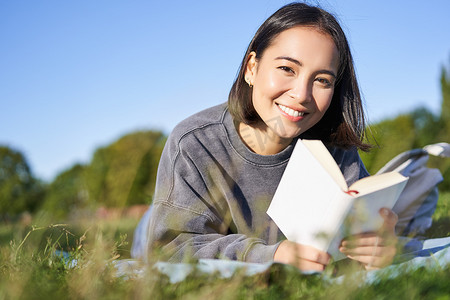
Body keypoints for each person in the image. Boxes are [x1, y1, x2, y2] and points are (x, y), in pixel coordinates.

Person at [143, 2, 398, 272]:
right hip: (167, 219)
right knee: (146, 231)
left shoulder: (335, 149)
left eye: (322, 80)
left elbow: (354, 245)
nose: (301, 94)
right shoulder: (194, 143)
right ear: (252, 67)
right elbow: (169, 247)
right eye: (287, 69)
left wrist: (377, 247)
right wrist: (270, 254)